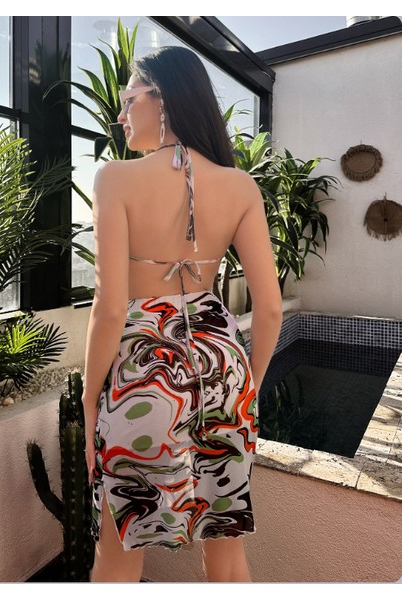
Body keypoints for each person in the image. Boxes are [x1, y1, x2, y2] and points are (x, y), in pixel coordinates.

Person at [82, 45, 282, 583]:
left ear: (162, 98)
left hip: (145, 371)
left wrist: (89, 400)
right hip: (223, 368)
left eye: (128, 99)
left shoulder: (114, 179)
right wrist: (249, 388)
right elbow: (269, 308)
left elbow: (109, 309)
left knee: (118, 552)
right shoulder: (240, 185)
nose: (120, 114)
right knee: (227, 550)